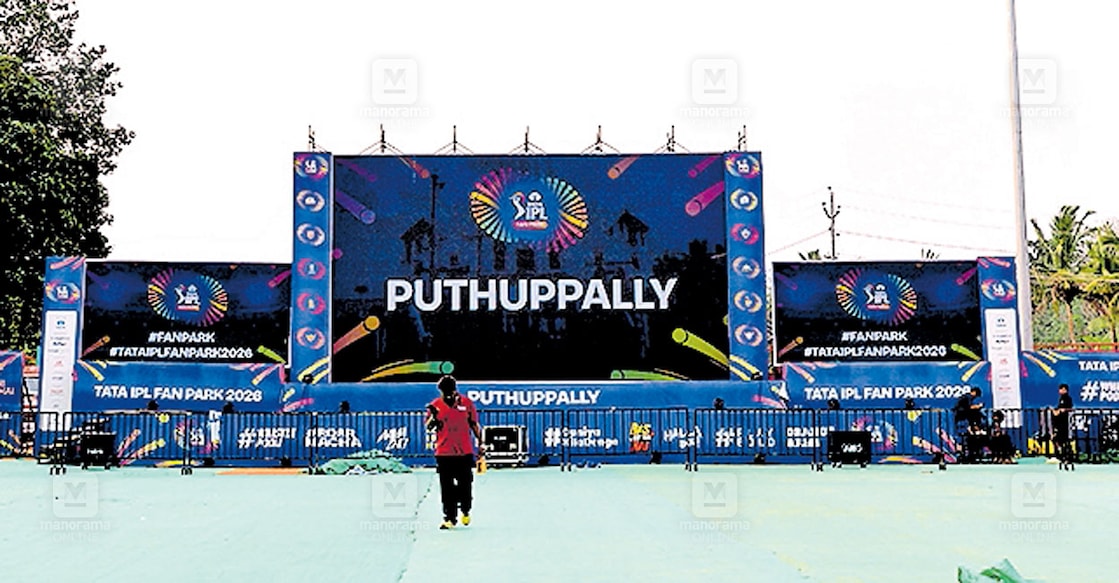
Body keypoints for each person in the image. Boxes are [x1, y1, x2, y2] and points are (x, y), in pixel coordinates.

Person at [425, 375, 484, 530]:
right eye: (444, 391)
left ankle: (465, 509)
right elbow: (429, 427)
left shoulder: (466, 403)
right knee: (447, 487)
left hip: (464, 451)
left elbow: (474, 424)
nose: (447, 394)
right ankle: (449, 518)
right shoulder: (435, 405)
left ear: (455, 389)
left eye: (449, 391)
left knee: (465, 485)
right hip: (444, 453)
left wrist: (481, 443)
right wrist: (433, 415)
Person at [1051, 383, 1074, 459]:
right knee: (1055, 438)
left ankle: (1065, 455)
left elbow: (1070, 408)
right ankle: (1058, 453)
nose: (1062, 391)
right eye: (1061, 389)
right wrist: (1055, 411)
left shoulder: (1068, 398)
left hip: (1065, 423)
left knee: (1064, 440)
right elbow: (1058, 409)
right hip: (1058, 422)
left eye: (1064, 389)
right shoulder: (1060, 399)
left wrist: (1062, 410)